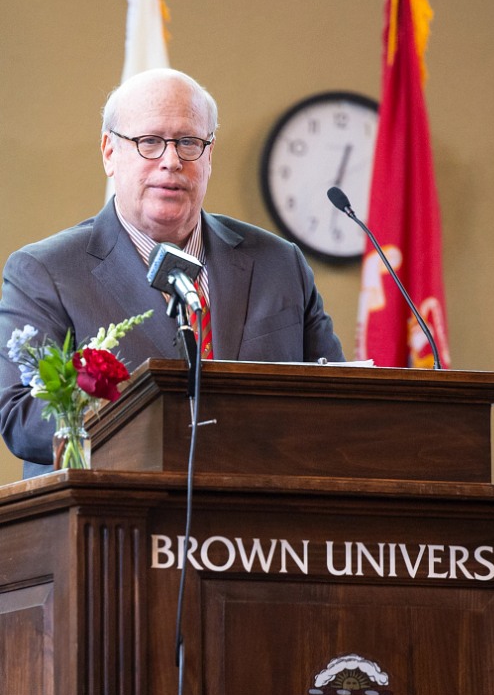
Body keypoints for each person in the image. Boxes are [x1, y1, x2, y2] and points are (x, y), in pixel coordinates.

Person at [0, 68, 344, 478]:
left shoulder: (277, 262)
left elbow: (336, 401)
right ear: (109, 152)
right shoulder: (46, 272)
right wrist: (164, 424)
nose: (171, 161)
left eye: (188, 142)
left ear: (209, 155)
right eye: (149, 142)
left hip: (267, 526)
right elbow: (22, 420)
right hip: (117, 522)